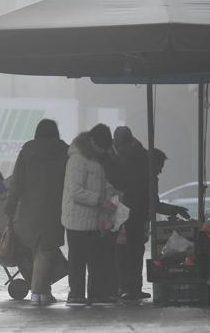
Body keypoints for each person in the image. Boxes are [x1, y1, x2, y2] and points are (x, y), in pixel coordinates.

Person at [109, 127, 189, 301]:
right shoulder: (137, 163)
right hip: (130, 214)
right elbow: (153, 202)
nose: (160, 171)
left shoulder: (133, 160)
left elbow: (151, 201)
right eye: (160, 167)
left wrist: (173, 209)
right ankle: (129, 288)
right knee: (130, 253)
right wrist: (173, 210)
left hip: (130, 214)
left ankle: (128, 288)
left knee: (129, 253)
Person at [4, 119, 69, 305]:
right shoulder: (64, 151)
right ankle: (40, 293)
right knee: (46, 250)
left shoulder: (28, 150)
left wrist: (9, 207)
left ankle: (40, 292)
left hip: (29, 209)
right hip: (55, 208)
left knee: (37, 250)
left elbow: (16, 181)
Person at [61, 123, 116, 306]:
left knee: (96, 260)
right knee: (77, 260)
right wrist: (100, 200)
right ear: (92, 142)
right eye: (101, 147)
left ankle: (96, 294)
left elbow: (100, 185)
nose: (103, 151)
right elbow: (75, 191)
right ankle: (76, 294)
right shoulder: (77, 160)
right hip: (76, 220)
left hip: (93, 220)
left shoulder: (96, 160)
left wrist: (109, 198)